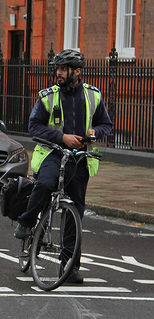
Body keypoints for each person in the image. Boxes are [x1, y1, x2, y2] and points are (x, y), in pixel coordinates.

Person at [14, 49, 113, 284]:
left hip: (79, 159)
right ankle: (27, 221)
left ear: (76, 72)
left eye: (63, 69)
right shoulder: (48, 96)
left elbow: (105, 124)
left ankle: (69, 266)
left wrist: (94, 132)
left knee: (75, 211)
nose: (58, 73)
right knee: (46, 184)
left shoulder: (93, 96)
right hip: (53, 153)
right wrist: (62, 138)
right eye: (57, 68)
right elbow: (34, 126)